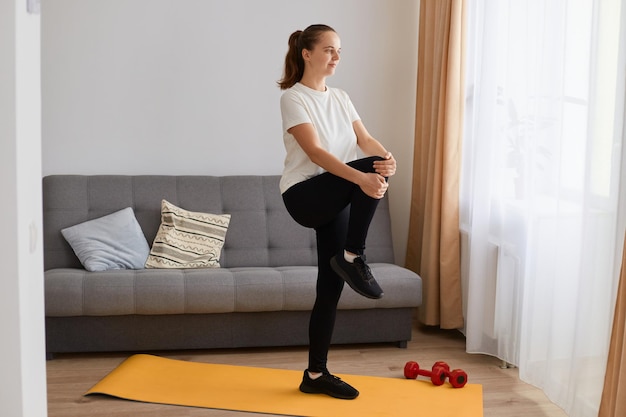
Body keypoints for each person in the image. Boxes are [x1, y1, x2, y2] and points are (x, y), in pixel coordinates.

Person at [277, 24, 397, 400]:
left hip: (335, 194)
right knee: (366, 170)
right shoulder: (293, 98)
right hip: (303, 194)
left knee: (329, 288)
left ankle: (315, 374)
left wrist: (385, 160)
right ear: (307, 53)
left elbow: (364, 140)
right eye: (329, 49)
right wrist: (363, 176)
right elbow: (315, 153)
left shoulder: (341, 97)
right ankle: (353, 254)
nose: (336, 56)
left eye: (339, 50)